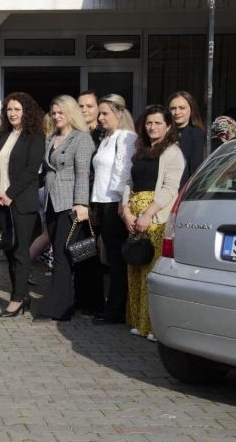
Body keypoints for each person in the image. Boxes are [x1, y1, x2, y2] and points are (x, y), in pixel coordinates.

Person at [120, 105, 183, 340]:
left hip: (156, 218)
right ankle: (138, 322)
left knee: (151, 272)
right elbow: (128, 182)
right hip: (134, 216)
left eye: (157, 123)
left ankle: (153, 326)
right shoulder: (141, 150)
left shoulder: (173, 152)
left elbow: (169, 189)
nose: (152, 127)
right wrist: (126, 211)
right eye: (149, 123)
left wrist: (148, 215)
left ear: (168, 126)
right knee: (135, 268)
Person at [36, 95, 95, 322]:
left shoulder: (81, 139)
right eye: (54, 113)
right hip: (52, 202)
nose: (56, 116)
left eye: (61, 112)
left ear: (71, 113)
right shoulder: (51, 138)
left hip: (70, 204)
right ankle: (67, 303)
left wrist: (81, 204)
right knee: (60, 253)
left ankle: (57, 307)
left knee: (62, 255)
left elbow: (82, 173)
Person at [0, 92, 45, 318]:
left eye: (17, 109)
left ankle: (17, 298)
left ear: (26, 112)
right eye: (9, 109)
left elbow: (31, 171)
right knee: (9, 252)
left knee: (21, 253)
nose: (12, 113)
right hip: (1, 202)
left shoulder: (35, 136)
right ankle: (22, 295)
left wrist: (10, 193)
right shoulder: (2, 136)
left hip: (21, 203)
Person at [90, 94, 137, 326]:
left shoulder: (126, 137)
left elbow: (124, 173)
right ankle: (107, 304)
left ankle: (116, 310)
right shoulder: (106, 138)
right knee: (105, 256)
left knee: (116, 259)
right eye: (99, 113)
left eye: (105, 113)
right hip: (100, 202)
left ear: (119, 113)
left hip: (114, 204)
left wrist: (122, 204)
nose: (100, 118)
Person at [73, 90, 106, 315]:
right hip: (78, 200)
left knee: (95, 253)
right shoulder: (74, 133)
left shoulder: (103, 136)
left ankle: (95, 301)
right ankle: (80, 298)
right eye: (81, 106)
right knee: (80, 250)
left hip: (97, 201)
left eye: (89, 106)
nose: (84, 110)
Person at [167, 91, 205, 187]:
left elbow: (195, 167)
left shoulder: (196, 133)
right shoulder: (163, 133)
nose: (177, 112)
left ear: (191, 109)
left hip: (182, 189)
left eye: (182, 108)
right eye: (173, 108)